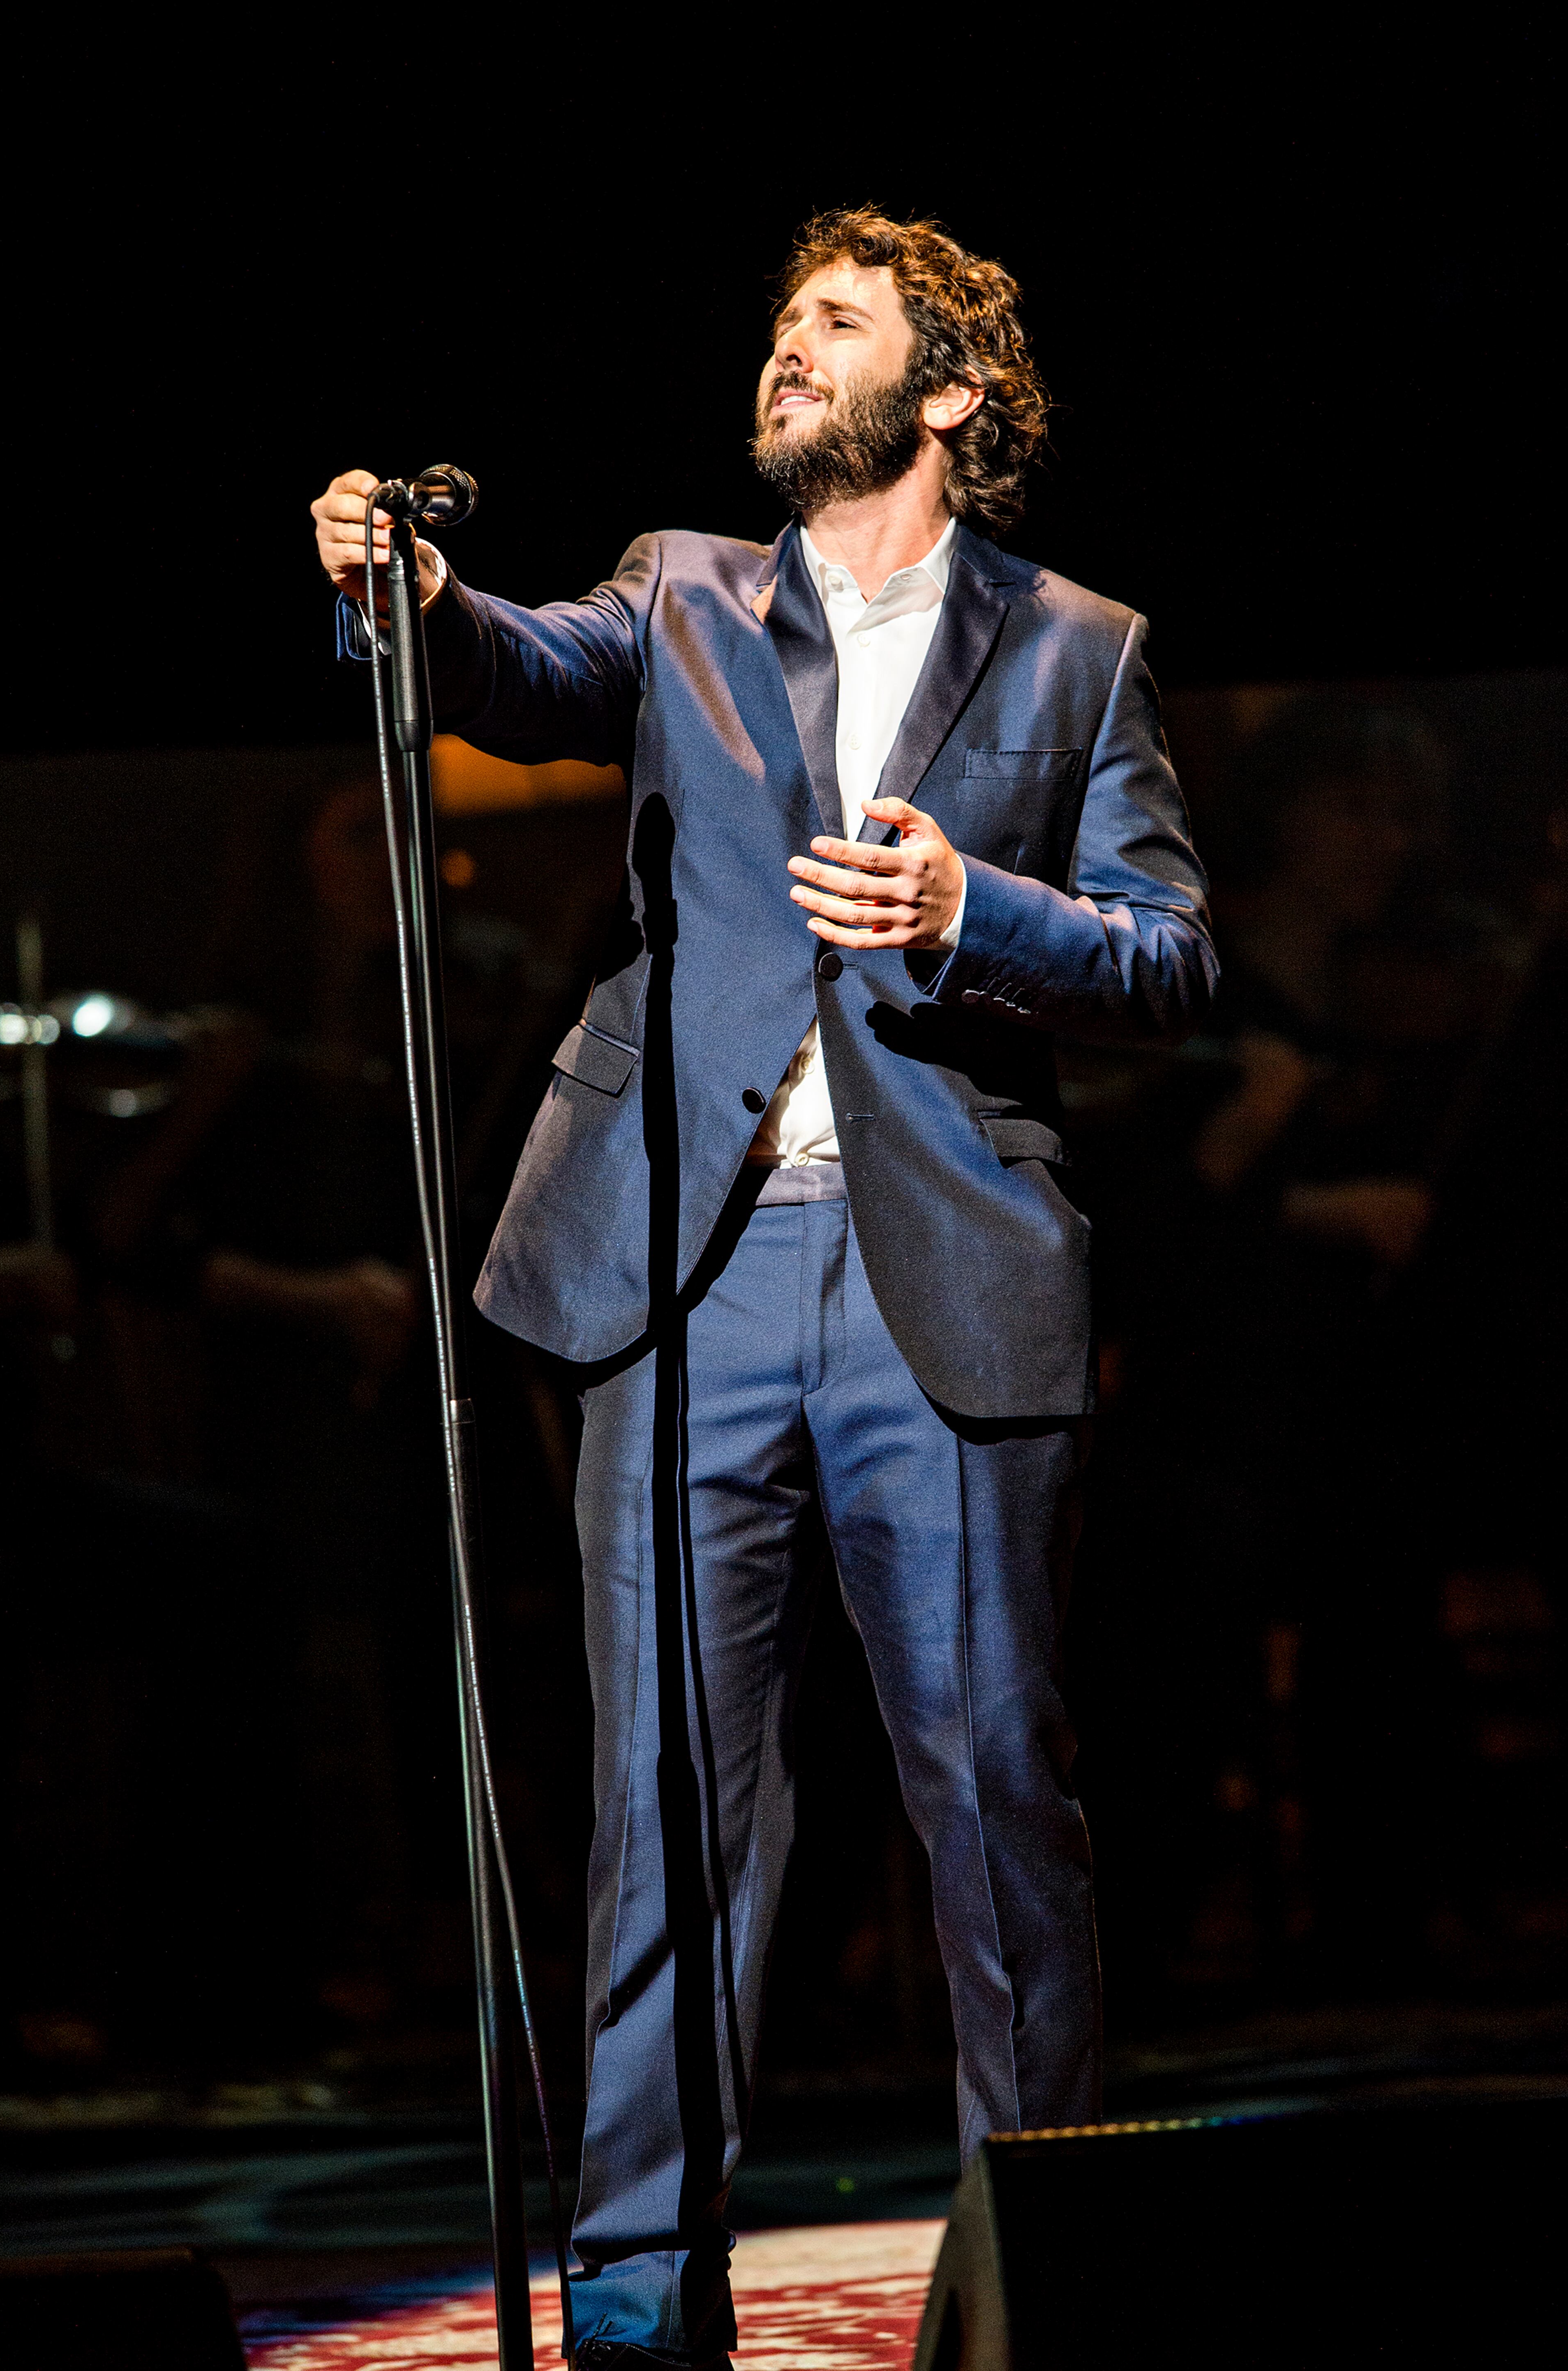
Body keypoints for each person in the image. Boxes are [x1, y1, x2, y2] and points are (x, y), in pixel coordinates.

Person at [312, 206, 1217, 2371]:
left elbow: (1169, 956)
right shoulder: (690, 589)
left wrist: (968, 902)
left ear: (958, 394)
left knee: (994, 1791)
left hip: (948, 1280)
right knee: (668, 1807)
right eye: (782, 322)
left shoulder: (1079, 647)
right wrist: (412, 594)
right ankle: (637, 2299)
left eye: (842, 322)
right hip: (695, 1265)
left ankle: (1049, 2269)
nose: (791, 348)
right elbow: (517, 669)